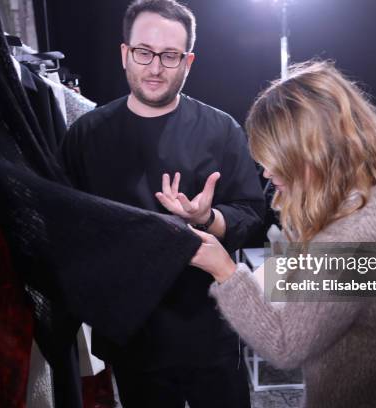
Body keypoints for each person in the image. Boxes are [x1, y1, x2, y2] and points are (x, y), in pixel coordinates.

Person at [190, 61, 376, 408]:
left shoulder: (351, 237)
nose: (267, 172)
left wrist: (224, 271)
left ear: (313, 153)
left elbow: (285, 344)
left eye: (276, 160)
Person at [60, 0, 264, 406]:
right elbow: (67, 230)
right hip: (132, 333)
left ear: (188, 61)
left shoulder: (221, 130)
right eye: (144, 52)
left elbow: (254, 216)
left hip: (210, 328)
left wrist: (209, 217)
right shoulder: (86, 135)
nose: (155, 67)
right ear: (125, 54)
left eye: (170, 56)